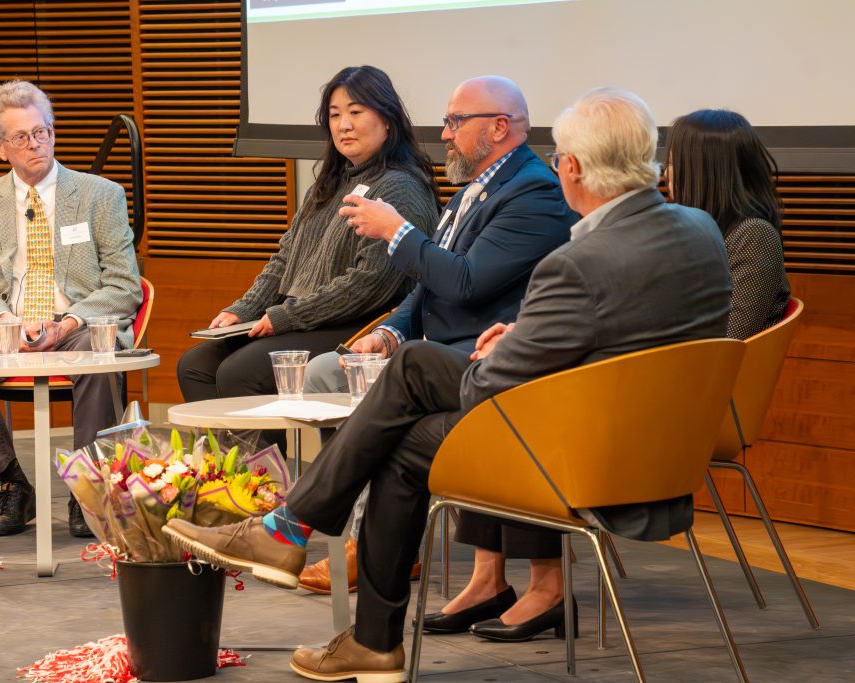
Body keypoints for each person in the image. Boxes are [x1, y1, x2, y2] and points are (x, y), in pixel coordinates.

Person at [164, 87, 732, 681]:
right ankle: (330, 587)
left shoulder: (579, 262)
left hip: (580, 451)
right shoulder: (698, 230)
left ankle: (305, 550)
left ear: (572, 167)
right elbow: (628, 326)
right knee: (407, 414)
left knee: (408, 388)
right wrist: (520, 331)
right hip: (662, 446)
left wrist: (505, 346)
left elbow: (491, 389)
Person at [432, 108, 793, 640]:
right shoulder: (687, 231)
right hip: (641, 384)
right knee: (520, 388)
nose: (662, 171)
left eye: (670, 159)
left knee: (514, 400)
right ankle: (493, 577)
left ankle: (538, 586)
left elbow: (715, 343)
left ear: (703, 166)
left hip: (691, 404)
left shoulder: (740, 239)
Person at [298, 75, 575, 594]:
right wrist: (391, 334)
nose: (445, 135)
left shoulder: (534, 191)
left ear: (498, 127)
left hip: (482, 355)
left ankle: (358, 539)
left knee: (386, 396)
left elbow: (466, 283)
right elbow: (428, 287)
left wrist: (396, 231)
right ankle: (346, 530)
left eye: (455, 121)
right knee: (324, 372)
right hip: (431, 350)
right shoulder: (475, 188)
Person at [0, 79, 142, 538]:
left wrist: (69, 320)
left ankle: (85, 488)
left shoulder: (100, 194)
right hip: (2, 323)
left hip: (77, 319)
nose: (36, 144)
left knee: (99, 356)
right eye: (22, 137)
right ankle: (12, 481)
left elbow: (124, 284)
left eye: (43, 132)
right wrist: (3, 320)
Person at [176, 65, 439, 406]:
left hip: (359, 322)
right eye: (334, 115)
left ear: (387, 119)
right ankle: (235, 460)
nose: (343, 125)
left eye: (356, 112)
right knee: (194, 365)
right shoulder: (329, 182)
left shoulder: (400, 186)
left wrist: (286, 316)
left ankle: (267, 462)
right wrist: (245, 309)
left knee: (237, 372)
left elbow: (370, 284)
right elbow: (284, 258)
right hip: (306, 316)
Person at [665, 108, 790, 339]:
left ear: (702, 172)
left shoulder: (753, 235)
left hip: (713, 370)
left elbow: (729, 339)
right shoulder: (695, 230)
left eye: (672, 164)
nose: (666, 175)